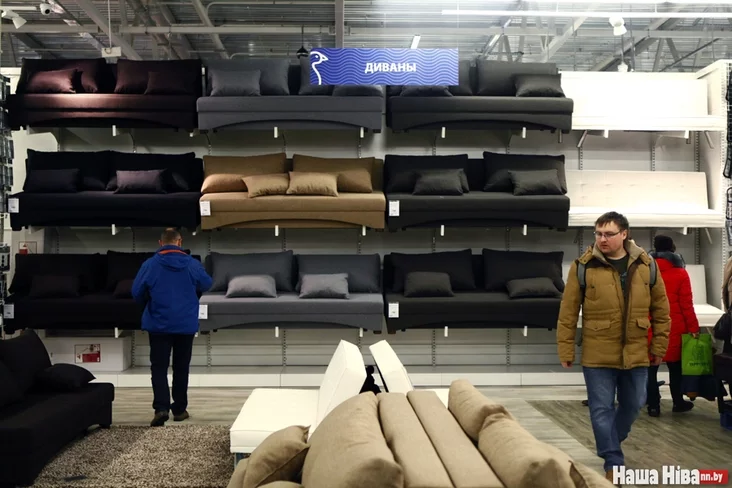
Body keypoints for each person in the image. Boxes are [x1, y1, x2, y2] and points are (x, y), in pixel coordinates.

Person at [557, 211, 670, 482]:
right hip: (597, 352)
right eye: (598, 234)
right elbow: (568, 312)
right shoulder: (583, 267)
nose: (602, 239)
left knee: (635, 403)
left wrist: (659, 346)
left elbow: (662, 310)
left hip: (637, 351)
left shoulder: (647, 266)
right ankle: (613, 463)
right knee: (601, 409)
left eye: (608, 234)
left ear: (624, 234)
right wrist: (566, 348)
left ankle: (610, 441)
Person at [132, 228, 212, 427]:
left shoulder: (150, 264)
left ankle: (161, 408)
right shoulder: (192, 264)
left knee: (159, 367)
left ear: (161, 243)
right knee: (181, 367)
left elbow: (136, 292)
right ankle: (179, 409)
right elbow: (207, 283)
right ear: (179, 242)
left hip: (158, 324)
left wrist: (149, 302)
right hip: (185, 324)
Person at [646, 235, 699, 417]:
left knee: (650, 369)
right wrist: (693, 328)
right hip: (674, 327)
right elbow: (686, 304)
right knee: (676, 369)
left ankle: (653, 406)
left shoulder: (645, 272)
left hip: (650, 326)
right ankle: (678, 402)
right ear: (673, 249)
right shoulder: (681, 273)